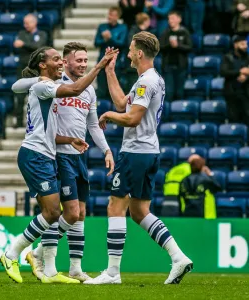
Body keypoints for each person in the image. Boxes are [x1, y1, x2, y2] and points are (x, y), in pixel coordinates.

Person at [0, 46, 118, 284]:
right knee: (56, 212)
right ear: (44, 64)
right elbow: (74, 88)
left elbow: (19, 87)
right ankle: (14, 254)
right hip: (37, 155)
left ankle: (50, 270)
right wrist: (99, 66)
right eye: (56, 60)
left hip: (48, 154)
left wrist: (76, 140)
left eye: (87, 60)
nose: (61, 64)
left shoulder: (46, 85)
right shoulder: (46, 87)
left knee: (58, 213)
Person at [84, 31, 192, 285]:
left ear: (140, 53)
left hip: (135, 151)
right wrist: (109, 71)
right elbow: (123, 103)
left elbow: (131, 118)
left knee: (115, 206)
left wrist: (108, 115)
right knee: (140, 211)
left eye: (131, 49)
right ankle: (178, 257)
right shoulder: (149, 79)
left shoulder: (146, 82)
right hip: (148, 151)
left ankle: (112, 273)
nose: (129, 53)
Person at [13, 14, 48, 127]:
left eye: (27, 23)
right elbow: (19, 46)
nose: (25, 25)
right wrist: (29, 46)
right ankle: (18, 122)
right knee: (19, 96)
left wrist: (24, 44)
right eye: (24, 23)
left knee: (37, 96)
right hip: (22, 69)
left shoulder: (42, 34)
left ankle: (37, 122)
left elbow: (38, 46)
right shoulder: (21, 33)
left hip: (36, 70)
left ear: (34, 22)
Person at [94, 6, 128, 99]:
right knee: (101, 90)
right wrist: (105, 39)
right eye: (110, 14)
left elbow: (122, 43)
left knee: (113, 91)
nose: (110, 17)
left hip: (115, 63)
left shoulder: (123, 27)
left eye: (113, 15)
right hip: (102, 61)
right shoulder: (102, 26)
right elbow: (96, 43)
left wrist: (110, 38)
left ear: (118, 16)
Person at [160, 10, 192, 101]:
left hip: (181, 67)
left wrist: (178, 46)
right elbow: (160, 47)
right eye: (169, 19)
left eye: (173, 18)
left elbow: (189, 47)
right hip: (168, 66)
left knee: (179, 92)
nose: (170, 21)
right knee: (169, 93)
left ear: (179, 19)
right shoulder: (165, 32)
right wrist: (169, 45)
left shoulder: (184, 32)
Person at [220, 34, 249, 126]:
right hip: (231, 92)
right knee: (234, 118)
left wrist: (246, 76)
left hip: (246, 93)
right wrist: (239, 72)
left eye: (246, 44)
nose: (245, 47)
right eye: (242, 44)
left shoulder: (248, 57)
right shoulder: (228, 57)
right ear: (235, 45)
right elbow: (224, 72)